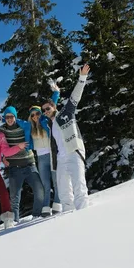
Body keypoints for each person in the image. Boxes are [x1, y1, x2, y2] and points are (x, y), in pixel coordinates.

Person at [42, 64, 91, 212]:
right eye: (44, 110)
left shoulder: (66, 113)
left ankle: (84, 212)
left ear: (54, 107)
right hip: (61, 158)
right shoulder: (49, 125)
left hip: (74, 152)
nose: (45, 111)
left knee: (79, 185)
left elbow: (75, 96)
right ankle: (69, 216)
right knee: (63, 190)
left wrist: (82, 77)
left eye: (48, 108)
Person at [27, 103, 62, 216]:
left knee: (56, 181)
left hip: (52, 155)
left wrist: (56, 93)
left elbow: (51, 107)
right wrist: (5, 117)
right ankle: (46, 206)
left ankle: (57, 203)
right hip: (41, 158)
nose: (35, 116)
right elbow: (17, 122)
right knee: (45, 184)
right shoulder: (30, 128)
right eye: (33, 115)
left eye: (37, 113)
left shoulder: (45, 121)